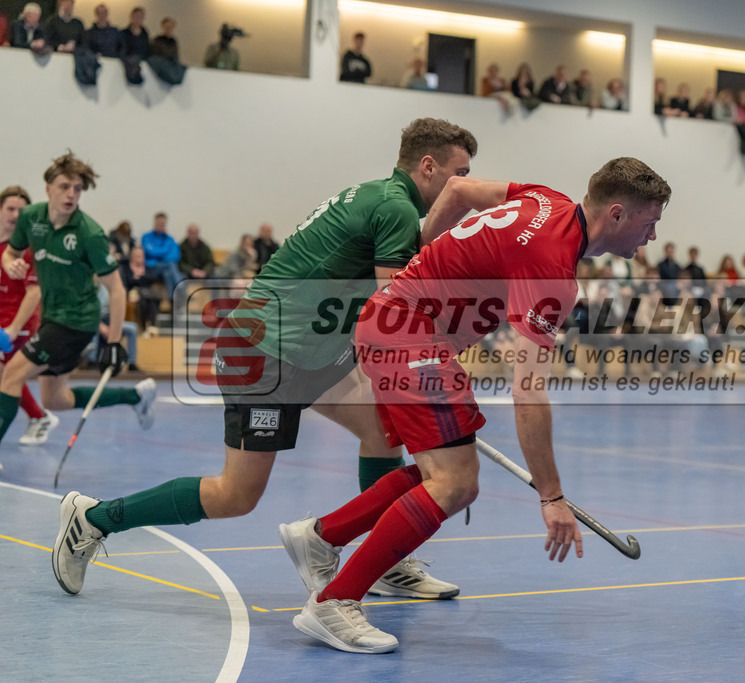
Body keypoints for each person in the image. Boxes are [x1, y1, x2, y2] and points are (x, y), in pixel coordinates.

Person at [51, 119, 477, 604]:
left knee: (382, 431)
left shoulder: (382, 197)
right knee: (236, 495)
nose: (462, 186)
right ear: (428, 166)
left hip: (308, 348)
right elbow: (392, 312)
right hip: (264, 353)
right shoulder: (396, 208)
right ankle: (92, 518)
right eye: (459, 173)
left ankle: (385, 563)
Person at [281, 156, 671, 653]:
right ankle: (333, 603)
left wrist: (420, 259)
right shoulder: (553, 270)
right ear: (616, 214)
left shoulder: (543, 199)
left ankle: (320, 537)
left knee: (438, 472)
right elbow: (527, 391)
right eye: (649, 223)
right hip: (409, 336)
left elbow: (459, 191)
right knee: (455, 483)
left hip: (396, 326)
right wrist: (551, 496)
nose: (652, 237)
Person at [0, 152, 156, 455]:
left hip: (76, 321)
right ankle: (136, 397)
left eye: (77, 189)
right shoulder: (31, 218)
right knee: (56, 401)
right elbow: (11, 252)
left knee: (11, 374)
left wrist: (113, 342)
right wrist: (9, 263)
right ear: (48, 189)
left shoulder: (89, 233)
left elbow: (117, 289)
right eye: (64, 187)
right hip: (52, 317)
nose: (71, 194)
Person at [0, 186, 56, 446]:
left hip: (16, 324)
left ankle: (39, 416)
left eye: (20, 210)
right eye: (10, 208)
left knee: (8, 375)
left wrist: (13, 328)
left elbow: (34, 293)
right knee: (7, 377)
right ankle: (38, 416)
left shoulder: (29, 249)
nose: (15, 215)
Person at [140, 211, 183, 308]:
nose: (161, 226)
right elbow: (150, 252)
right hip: (151, 268)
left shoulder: (169, 239)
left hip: (164, 269)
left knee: (168, 272)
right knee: (170, 265)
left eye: (163, 224)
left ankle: (173, 302)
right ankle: (181, 288)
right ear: (154, 223)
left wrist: (158, 255)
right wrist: (164, 253)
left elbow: (175, 256)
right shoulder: (146, 237)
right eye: (159, 223)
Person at [122, 246, 161, 336]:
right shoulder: (126, 268)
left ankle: (150, 325)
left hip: (146, 293)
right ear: (132, 256)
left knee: (152, 298)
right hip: (132, 292)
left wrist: (138, 277)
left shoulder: (148, 268)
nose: (139, 257)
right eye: (137, 255)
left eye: (141, 255)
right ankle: (145, 326)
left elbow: (152, 280)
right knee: (143, 298)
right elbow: (127, 282)